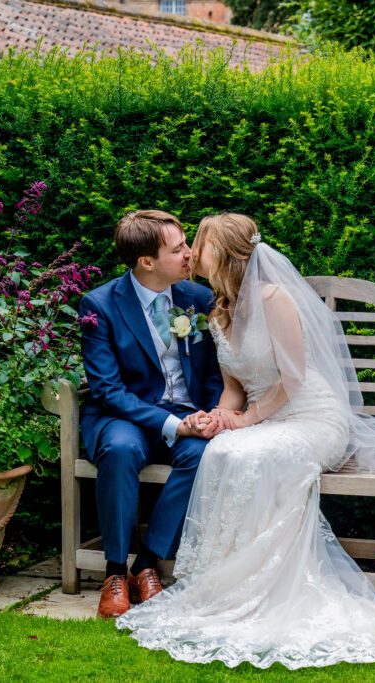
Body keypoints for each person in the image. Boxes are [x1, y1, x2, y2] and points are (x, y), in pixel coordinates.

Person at [115, 213, 375, 667]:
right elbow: (235, 387)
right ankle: (231, 584)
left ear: (222, 253)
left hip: (310, 415)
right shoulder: (217, 308)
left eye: (198, 244)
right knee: (223, 449)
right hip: (263, 415)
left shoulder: (274, 298)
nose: (190, 253)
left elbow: (294, 377)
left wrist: (248, 420)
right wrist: (222, 416)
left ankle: (272, 586)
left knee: (260, 454)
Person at [78, 210, 226, 619]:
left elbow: (215, 372)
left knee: (202, 455)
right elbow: (107, 390)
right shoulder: (100, 305)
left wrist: (209, 414)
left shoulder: (197, 299)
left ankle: (147, 563)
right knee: (121, 449)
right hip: (124, 416)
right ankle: (114, 572)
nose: (189, 254)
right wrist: (173, 425)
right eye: (178, 248)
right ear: (147, 262)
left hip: (186, 412)